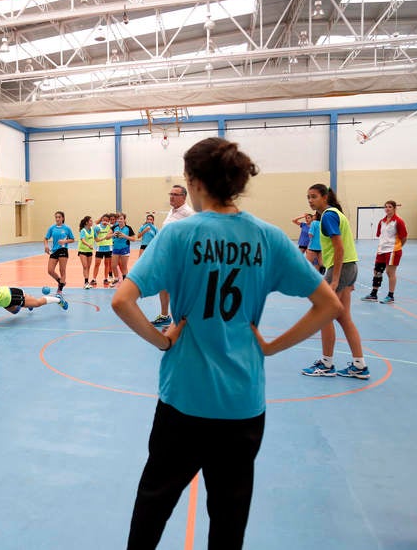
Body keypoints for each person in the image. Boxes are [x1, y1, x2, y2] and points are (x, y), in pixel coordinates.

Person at [111, 137, 340, 550]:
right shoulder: (268, 237)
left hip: (183, 398)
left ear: (196, 182)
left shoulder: (179, 234)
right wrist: (270, 347)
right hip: (242, 403)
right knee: (230, 516)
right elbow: (328, 304)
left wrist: (161, 342)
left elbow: (122, 300)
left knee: (154, 504)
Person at [301, 183, 369, 379]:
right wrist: (348, 277)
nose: (310, 200)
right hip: (349, 266)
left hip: (340, 269)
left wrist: (336, 279)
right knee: (344, 317)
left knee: (324, 314)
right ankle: (359, 365)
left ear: (325, 197)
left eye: (313, 196)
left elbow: (339, 248)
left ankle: (326, 363)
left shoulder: (329, 215)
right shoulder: (335, 215)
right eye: (308, 197)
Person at [0, 272, 67, 335]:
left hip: (13, 295)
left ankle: (57, 299)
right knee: (15, 311)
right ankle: (28, 303)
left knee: (37, 303)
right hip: (5, 302)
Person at [151, 185, 195, 327]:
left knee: (181, 288)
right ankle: (165, 315)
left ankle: (185, 317)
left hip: (181, 257)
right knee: (163, 285)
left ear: (184, 197)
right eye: (171, 194)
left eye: (175, 194)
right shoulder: (172, 211)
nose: (172, 197)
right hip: (167, 256)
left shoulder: (189, 213)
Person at [360, 200, 408, 304]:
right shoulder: (381, 222)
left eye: (390, 207)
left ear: (394, 208)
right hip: (381, 250)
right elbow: (380, 236)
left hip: (393, 251)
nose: (387, 209)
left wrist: (397, 247)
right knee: (377, 271)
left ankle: (390, 296)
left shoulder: (398, 221)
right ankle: (374, 294)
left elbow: (404, 237)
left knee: (390, 273)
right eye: (386, 207)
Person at [44, 210, 75, 294]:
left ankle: (60, 289)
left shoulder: (67, 228)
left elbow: (72, 239)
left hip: (63, 250)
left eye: (59, 217)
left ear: (63, 218)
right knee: (50, 270)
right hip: (54, 250)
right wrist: (46, 246)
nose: (57, 219)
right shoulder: (52, 228)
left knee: (62, 270)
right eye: (56, 217)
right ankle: (61, 282)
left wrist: (64, 242)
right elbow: (46, 238)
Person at [110, 213, 136, 285]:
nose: (119, 220)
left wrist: (125, 236)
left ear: (124, 219)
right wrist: (113, 234)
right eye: (118, 219)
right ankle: (116, 278)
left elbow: (134, 239)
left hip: (125, 248)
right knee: (113, 265)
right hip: (116, 248)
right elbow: (107, 236)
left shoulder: (128, 228)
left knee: (123, 266)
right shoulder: (114, 227)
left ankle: (125, 280)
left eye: (121, 218)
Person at [91, 214, 114, 287]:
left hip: (108, 247)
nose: (105, 221)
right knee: (97, 264)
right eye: (104, 220)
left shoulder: (110, 227)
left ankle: (105, 278)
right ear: (101, 219)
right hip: (100, 248)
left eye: (107, 220)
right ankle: (94, 279)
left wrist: (108, 224)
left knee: (107, 264)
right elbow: (96, 237)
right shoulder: (97, 227)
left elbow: (113, 228)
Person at [77, 216, 95, 289]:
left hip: (89, 251)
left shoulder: (92, 230)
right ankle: (86, 282)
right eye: (90, 221)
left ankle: (87, 282)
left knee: (88, 267)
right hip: (82, 250)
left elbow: (96, 238)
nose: (92, 222)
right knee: (85, 266)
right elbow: (83, 240)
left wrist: (104, 238)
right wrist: (88, 245)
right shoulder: (83, 231)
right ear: (87, 222)